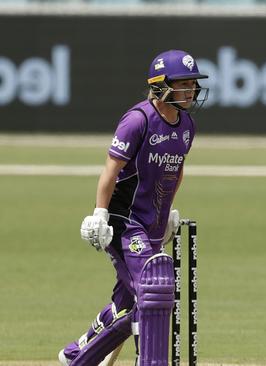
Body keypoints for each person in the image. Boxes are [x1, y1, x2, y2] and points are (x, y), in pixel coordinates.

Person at [58, 49, 208, 366]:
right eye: (184, 84)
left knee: (126, 304)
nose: (191, 90)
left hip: (152, 224)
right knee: (152, 292)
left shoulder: (187, 126)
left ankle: (77, 353)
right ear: (161, 86)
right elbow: (111, 170)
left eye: (193, 84)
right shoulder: (138, 120)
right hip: (124, 222)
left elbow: (176, 170)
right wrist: (99, 213)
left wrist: (166, 214)